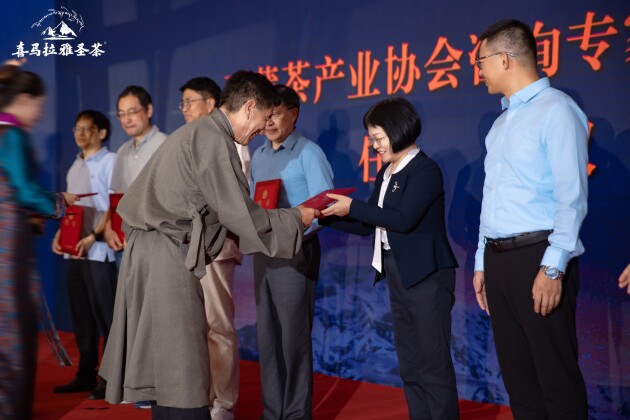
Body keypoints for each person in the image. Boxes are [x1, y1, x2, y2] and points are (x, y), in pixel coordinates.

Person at [99, 70, 318, 419]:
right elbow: (239, 214)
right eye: (264, 118)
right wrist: (296, 218)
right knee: (183, 366)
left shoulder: (200, 133)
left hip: (153, 251)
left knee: (165, 365)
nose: (263, 128)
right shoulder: (214, 139)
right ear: (249, 107)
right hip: (165, 255)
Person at [472, 19, 588, 419]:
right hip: (499, 262)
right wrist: (482, 261)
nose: (479, 71)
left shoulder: (557, 110)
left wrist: (553, 267)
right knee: (519, 382)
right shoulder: (499, 124)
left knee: (556, 381)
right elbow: (492, 198)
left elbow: (572, 196)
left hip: (539, 258)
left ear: (504, 59)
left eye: (481, 61)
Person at [321, 97, 459, 419]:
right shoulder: (386, 172)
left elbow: (403, 219)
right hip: (398, 274)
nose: (374, 146)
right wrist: (324, 217)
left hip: (426, 277)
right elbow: (369, 223)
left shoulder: (424, 169)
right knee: (410, 365)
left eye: (378, 138)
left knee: (433, 365)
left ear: (398, 130)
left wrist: (353, 206)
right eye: (372, 139)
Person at [249, 84, 333, 420]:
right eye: (265, 115)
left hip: (296, 253)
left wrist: (291, 233)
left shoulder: (309, 153)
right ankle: (273, 413)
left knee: (293, 340)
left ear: (293, 114)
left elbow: (326, 209)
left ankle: (297, 414)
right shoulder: (258, 156)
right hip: (263, 253)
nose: (269, 121)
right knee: (267, 338)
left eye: (276, 114)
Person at [0, 63, 78, 419]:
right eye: (39, 106)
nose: (39, 113)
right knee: (12, 333)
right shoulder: (12, 136)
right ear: (24, 99)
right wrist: (60, 203)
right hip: (8, 250)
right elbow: (27, 193)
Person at [179, 76, 245, 420]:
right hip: (188, 247)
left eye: (190, 102)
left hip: (217, 246)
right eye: (182, 103)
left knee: (218, 326)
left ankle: (223, 402)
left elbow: (233, 200)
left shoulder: (232, 141)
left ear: (210, 104)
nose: (184, 109)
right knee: (194, 328)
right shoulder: (187, 141)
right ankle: (200, 396)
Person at [51, 110, 117, 400]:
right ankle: (86, 373)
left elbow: (113, 206)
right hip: (73, 253)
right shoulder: (74, 165)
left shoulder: (111, 161)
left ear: (101, 133)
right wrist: (59, 235)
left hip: (99, 251)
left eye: (86, 129)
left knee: (106, 317)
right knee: (81, 316)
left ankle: (111, 377)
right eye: (76, 128)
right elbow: (70, 209)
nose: (79, 133)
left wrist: (93, 237)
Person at [103, 85, 167, 258]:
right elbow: (117, 196)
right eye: (121, 114)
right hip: (123, 241)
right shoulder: (122, 150)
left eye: (132, 112)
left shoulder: (165, 145)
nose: (126, 119)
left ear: (149, 110)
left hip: (153, 243)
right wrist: (108, 227)